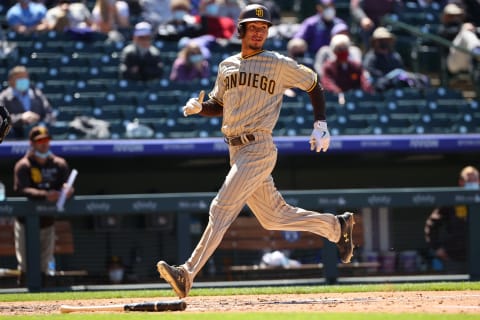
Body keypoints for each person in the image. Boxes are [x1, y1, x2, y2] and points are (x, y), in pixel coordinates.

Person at [156, 4, 355, 299]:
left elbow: (313, 83)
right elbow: (218, 105)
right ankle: (336, 227)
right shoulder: (227, 66)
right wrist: (201, 108)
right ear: (241, 31)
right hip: (235, 150)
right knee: (274, 217)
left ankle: (187, 273)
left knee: (220, 207)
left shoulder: (276, 63)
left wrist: (320, 123)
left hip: (259, 146)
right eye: (254, 27)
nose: (259, 32)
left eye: (264, 28)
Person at [13, 126, 75, 286]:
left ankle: (43, 302)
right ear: (32, 143)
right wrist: (46, 195)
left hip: (48, 221)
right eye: (40, 141)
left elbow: (68, 185)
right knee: (26, 265)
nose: (44, 144)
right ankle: (24, 301)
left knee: (44, 265)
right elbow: (21, 189)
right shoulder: (24, 165)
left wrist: (68, 191)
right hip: (25, 222)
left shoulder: (59, 163)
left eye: (46, 140)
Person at [424, 165, 479, 273]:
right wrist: (437, 248)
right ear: (461, 182)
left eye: (474, 180)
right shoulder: (452, 200)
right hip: (455, 257)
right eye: (468, 180)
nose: (471, 183)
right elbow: (432, 224)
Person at [0, 65, 55, 140]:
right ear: (11, 80)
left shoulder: (37, 94)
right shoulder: (4, 97)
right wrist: (20, 118)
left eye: (25, 77)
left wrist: (39, 121)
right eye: (20, 78)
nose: (24, 80)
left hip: (37, 138)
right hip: (14, 138)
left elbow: (50, 114)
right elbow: (1, 120)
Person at [438, 3, 480, 80]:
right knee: (465, 34)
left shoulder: (464, 26)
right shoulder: (443, 29)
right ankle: (477, 50)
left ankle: (477, 52)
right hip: (452, 63)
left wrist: (474, 30)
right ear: (446, 16)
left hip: (468, 60)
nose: (455, 18)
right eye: (451, 15)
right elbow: (447, 34)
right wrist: (462, 29)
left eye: (458, 15)